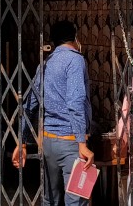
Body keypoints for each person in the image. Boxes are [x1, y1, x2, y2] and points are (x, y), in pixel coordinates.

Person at [12, 20, 94, 206]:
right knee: (76, 199)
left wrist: (21, 141)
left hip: (48, 142)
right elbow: (75, 101)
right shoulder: (75, 59)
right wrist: (82, 142)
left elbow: (29, 103)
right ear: (75, 37)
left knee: (50, 199)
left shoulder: (46, 64)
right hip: (70, 143)